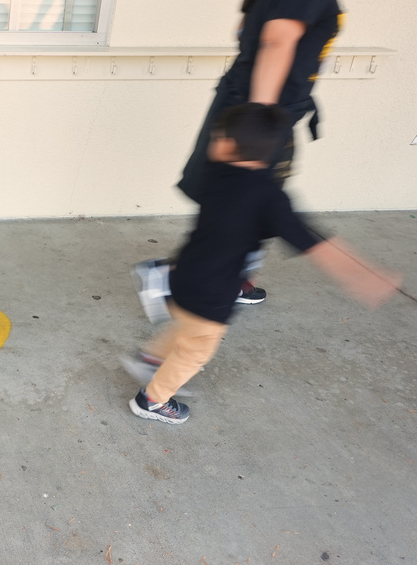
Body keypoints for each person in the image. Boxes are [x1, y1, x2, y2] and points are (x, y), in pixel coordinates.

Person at [132, 0, 374, 319]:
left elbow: (248, 29)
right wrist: (256, 129)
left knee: (243, 208)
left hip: (258, 113)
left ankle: (210, 278)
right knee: (249, 206)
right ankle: (171, 276)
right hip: (260, 117)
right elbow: (276, 42)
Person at [122, 103, 399, 424]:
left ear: (226, 145)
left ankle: (152, 358)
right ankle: (153, 400)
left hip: (181, 275)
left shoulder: (215, 173)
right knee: (196, 349)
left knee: (186, 326)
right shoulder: (270, 198)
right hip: (213, 292)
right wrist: (363, 276)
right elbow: (313, 242)